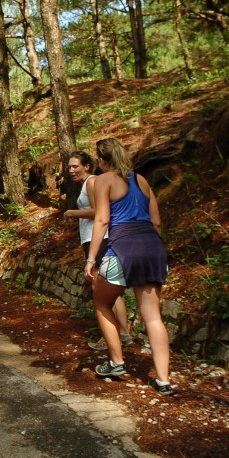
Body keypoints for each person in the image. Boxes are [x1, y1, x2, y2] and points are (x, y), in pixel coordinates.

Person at [85, 138, 173, 395]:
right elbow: (156, 221)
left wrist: (91, 259)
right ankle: (163, 380)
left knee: (102, 302)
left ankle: (116, 362)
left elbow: (102, 220)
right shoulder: (142, 180)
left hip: (123, 247)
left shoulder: (104, 179)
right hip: (152, 248)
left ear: (102, 160)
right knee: (153, 316)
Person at [62, 151, 133, 349]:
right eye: (69, 167)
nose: (71, 170)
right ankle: (123, 333)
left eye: (75, 166)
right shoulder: (88, 184)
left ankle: (112, 336)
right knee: (110, 287)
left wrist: (72, 213)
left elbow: (99, 211)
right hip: (93, 238)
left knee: (102, 288)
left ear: (87, 166)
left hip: (99, 238)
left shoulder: (92, 182)